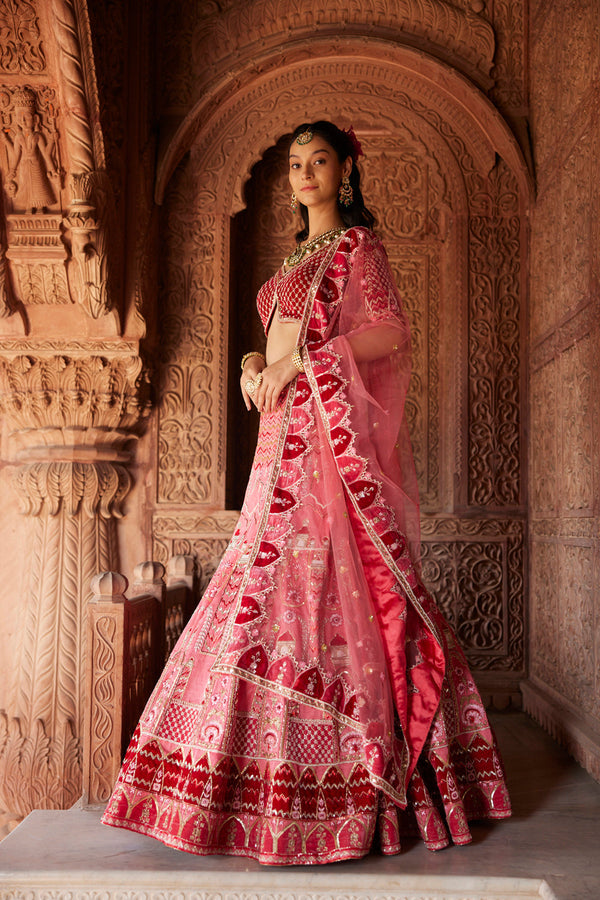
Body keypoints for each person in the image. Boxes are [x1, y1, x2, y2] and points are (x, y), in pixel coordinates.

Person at [102, 121, 511, 864]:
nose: (304, 174)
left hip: (325, 443)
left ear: (346, 170)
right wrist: (256, 364)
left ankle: (352, 778)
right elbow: (280, 335)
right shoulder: (297, 256)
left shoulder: (359, 248)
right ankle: (243, 780)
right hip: (278, 439)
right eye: (295, 164)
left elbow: (389, 331)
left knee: (327, 577)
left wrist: (305, 366)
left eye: (318, 161)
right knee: (262, 577)